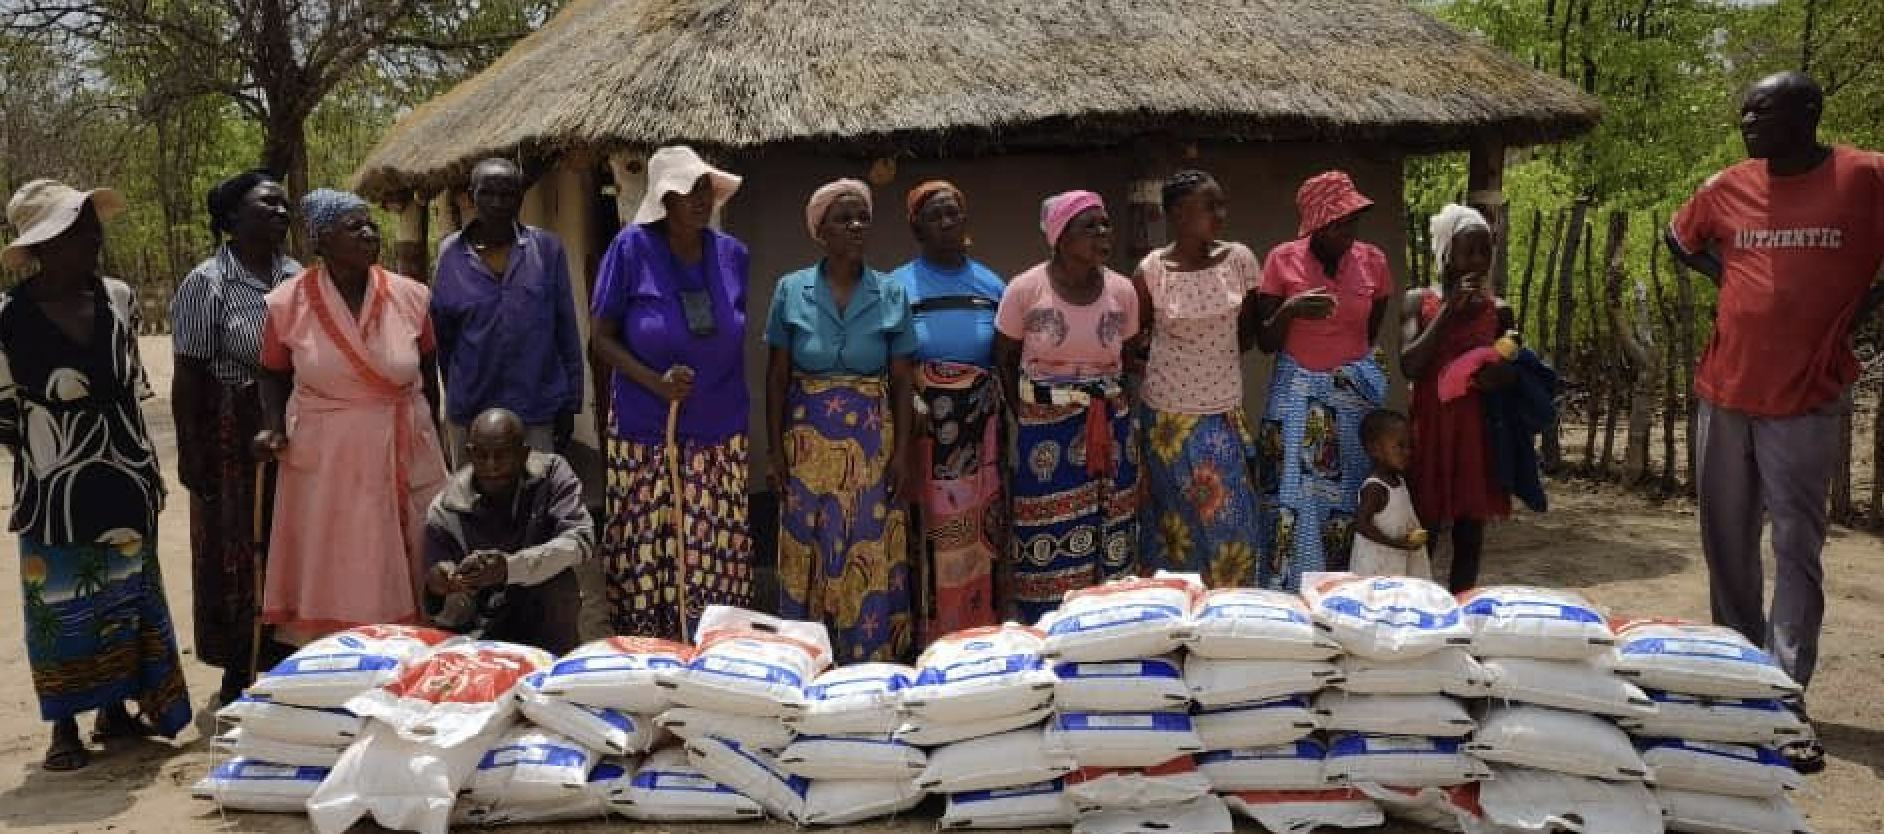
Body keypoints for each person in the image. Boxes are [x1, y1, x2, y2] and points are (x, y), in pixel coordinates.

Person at [1665, 70, 1884, 773]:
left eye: (1763, 110)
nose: (1748, 121)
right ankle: (1738, 679)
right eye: (1744, 112)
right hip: (1725, 390)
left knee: (1798, 549)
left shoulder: (1865, 178)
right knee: (1726, 542)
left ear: (1809, 114)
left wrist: (1864, 306)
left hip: (1807, 397)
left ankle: (1784, 696)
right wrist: (1723, 275)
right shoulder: (1727, 185)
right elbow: (1679, 237)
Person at [1, 179, 190, 770]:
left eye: (92, 225)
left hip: (127, 474)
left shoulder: (119, 298)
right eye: (80, 229)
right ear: (45, 245)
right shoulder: (8, 318)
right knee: (57, 602)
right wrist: (49, 457)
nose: (95, 238)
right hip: (52, 487)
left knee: (125, 595)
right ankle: (64, 726)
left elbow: (132, 389)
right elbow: (4, 411)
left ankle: (114, 710)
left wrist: (145, 469)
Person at [252, 189, 449, 643]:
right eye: (353, 225)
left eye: (371, 223)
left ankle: (404, 646)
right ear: (321, 240)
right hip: (326, 457)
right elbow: (271, 374)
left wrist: (433, 440)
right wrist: (273, 426)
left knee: (406, 552)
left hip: (402, 443)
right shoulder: (286, 304)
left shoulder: (411, 295)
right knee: (337, 556)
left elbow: (428, 369)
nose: (368, 232)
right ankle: (334, 651)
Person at [590, 145, 750, 640]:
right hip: (646, 429)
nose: (700, 198)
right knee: (647, 552)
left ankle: (713, 654)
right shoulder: (631, 248)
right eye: (686, 190)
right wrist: (654, 382)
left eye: (705, 187)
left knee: (714, 555)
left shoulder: (733, 255)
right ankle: (649, 655)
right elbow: (601, 338)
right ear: (664, 199)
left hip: (719, 430)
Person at [766, 179, 917, 662]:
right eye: (842, 218)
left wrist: (903, 455)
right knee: (807, 547)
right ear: (819, 231)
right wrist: (775, 454)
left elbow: (901, 382)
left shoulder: (890, 292)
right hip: (806, 447)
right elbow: (776, 378)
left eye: (862, 218)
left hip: (872, 442)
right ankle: (807, 655)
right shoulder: (791, 290)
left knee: (866, 546)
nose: (855, 226)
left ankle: (866, 659)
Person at [170, 169, 299, 703]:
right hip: (230, 431)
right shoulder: (207, 283)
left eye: (284, 205)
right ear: (232, 219)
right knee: (235, 546)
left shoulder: (296, 274)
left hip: (292, 425)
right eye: (267, 205)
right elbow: (188, 376)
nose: (280, 213)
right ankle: (236, 664)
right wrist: (191, 453)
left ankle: (285, 654)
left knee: (290, 539)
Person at [994, 190, 1143, 623]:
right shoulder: (1025, 289)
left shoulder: (1122, 290)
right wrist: (1027, 413)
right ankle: (1046, 619)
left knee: (1112, 519)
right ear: (1059, 236)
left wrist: (1119, 414)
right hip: (1046, 427)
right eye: (1089, 226)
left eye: (1105, 225)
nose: (1102, 234)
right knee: (1046, 523)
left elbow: (1129, 357)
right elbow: (1003, 357)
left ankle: (1107, 622)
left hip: (1109, 423)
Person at [1252, 171, 1394, 590]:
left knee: (1350, 492)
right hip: (1296, 397)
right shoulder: (1282, 260)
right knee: (1295, 499)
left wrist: (1341, 375)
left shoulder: (1374, 262)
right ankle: (1289, 591)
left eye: (1351, 222)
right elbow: (1264, 340)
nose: (1347, 232)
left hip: (1351, 400)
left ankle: (1344, 590)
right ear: (1315, 225)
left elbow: (1369, 334)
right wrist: (1291, 310)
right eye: (1337, 224)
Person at [1132, 170, 1265, 587]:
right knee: (1177, 526)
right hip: (1167, 422)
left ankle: (1232, 614)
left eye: (1222, 204)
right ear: (1177, 213)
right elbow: (1136, 341)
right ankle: (1183, 619)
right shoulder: (1152, 271)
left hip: (1221, 412)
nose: (1220, 215)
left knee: (1233, 523)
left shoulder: (1240, 260)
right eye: (1211, 206)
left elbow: (1248, 332)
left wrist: (1212, 367)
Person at [890, 181, 1008, 640]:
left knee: (982, 525)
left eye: (954, 214)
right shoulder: (897, 285)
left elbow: (1004, 355)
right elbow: (890, 360)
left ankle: (980, 629)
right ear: (916, 226)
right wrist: (913, 399)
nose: (946, 223)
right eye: (935, 215)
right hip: (924, 424)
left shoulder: (991, 283)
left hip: (982, 427)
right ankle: (930, 632)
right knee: (931, 527)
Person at [431, 158, 583, 460]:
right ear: (472, 195)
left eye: (509, 194)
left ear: (521, 198)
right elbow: (443, 338)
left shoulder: (546, 249)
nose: (498, 203)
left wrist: (570, 402)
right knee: (472, 502)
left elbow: (565, 329)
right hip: (472, 412)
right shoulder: (450, 254)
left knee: (536, 500)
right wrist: (455, 398)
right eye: (488, 193)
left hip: (536, 407)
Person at [1401, 204, 1515, 594]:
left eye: (1485, 251)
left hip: (1474, 432)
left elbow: (1510, 372)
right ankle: (1419, 605)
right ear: (1446, 253)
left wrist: (1494, 375)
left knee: (1470, 531)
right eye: (1469, 251)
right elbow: (1410, 364)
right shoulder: (1420, 302)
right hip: (1430, 429)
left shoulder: (1499, 312)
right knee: (1425, 528)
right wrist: (1448, 311)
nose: (1478, 261)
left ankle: (1462, 608)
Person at [422, 409, 594, 654]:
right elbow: (445, 615)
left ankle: (557, 662)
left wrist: (510, 568)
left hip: (545, 611)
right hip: (483, 625)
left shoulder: (553, 473)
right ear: (469, 454)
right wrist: (442, 587)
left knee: (557, 585)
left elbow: (581, 541)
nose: (491, 466)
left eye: (502, 455)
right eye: (482, 456)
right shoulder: (445, 510)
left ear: (524, 453)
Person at [1349, 409, 1431, 579]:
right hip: (1375, 566)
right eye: (1400, 446)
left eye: (1410, 445)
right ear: (1375, 449)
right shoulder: (1375, 488)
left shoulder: (1399, 481)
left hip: (1395, 561)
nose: (1408, 452)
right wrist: (1396, 543)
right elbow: (1361, 524)